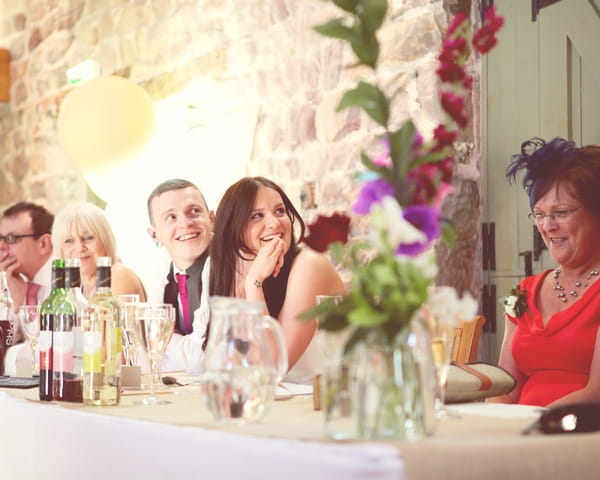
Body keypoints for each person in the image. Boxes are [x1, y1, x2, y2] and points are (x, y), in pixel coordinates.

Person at [490, 137, 600, 407]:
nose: (547, 226)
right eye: (539, 214)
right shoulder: (521, 293)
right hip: (524, 438)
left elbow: (596, 394)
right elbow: (505, 389)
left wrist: (534, 427)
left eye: (561, 212)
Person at [209, 176, 345, 384]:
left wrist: (254, 282)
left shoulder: (309, 264)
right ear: (233, 228)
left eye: (280, 211)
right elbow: (232, 363)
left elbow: (271, 367)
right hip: (277, 405)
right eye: (256, 216)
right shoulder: (238, 269)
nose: (274, 223)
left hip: (327, 406)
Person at [146, 179, 214, 371]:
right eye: (171, 217)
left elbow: (201, 361)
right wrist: (182, 345)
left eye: (194, 211)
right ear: (154, 235)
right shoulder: (160, 271)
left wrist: (169, 339)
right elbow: (151, 355)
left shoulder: (224, 265)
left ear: (211, 218)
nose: (186, 223)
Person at [52, 202, 147, 301]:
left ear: (105, 240)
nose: (80, 248)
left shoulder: (117, 275)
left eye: (88, 238)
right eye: (69, 241)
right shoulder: (76, 287)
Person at [0, 202, 54, 375]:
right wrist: (15, 304)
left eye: (11, 239)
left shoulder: (66, 283)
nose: (1, 247)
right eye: (0, 238)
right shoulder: (16, 282)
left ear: (44, 244)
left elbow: (49, 352)